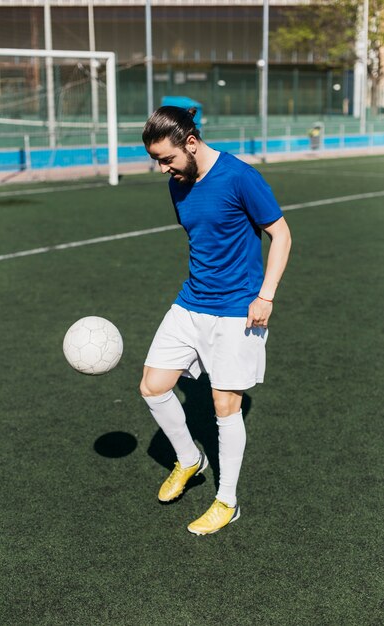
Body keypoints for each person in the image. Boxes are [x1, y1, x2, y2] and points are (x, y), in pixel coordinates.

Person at [140, 106, 292, 536]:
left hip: (237, 309)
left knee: (225, 406)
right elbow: (202, 240)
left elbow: (281, 234)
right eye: (156, 160)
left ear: (191, 143)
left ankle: (227, 501)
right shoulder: (178, 184)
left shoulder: (240, 176)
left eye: (166, 158)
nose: (162, 168)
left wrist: (266, 296)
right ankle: (190, 459)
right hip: (191, 303)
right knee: (153, 385)